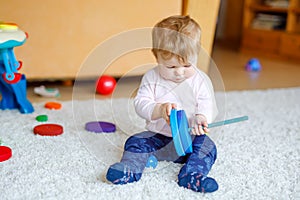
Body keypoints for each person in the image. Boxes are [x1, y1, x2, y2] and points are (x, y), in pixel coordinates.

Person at [106, 15, 219, 193]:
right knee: (135, 142)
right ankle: (129, 169)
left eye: (187, 65)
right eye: (171, 67)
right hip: (158, 138)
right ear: (157, 57)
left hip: (189, 140)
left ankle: (192, 175)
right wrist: (158, 110)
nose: (179, 73)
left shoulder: (200, 80)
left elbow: (206, 104)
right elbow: (140, 103)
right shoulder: (151, 78)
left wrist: (201, 118)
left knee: (208, 147)